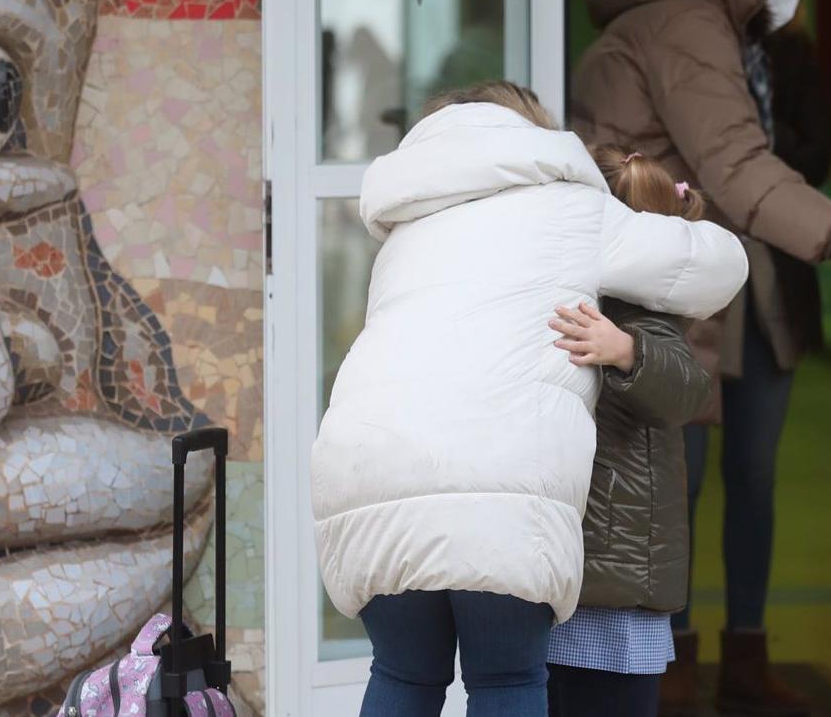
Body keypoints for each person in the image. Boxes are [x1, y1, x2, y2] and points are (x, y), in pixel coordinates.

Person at [570, 0, 831, 715]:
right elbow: (734, 161)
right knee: (675, 486)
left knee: (751, 480)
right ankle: (668, 665)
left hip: (741, 281)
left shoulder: (734, 28)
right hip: (672, 286)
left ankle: (738, 655)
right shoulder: (686, 22)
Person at [311, 81, 749, 717]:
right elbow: (717, 267)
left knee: (403, 675)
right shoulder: (567, 204)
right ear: (532, 133)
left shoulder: (409, 224)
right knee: (506, 680)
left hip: (365, 468)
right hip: (502, 478)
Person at [543, 147, 717, 717]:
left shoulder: (649, 316)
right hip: (578, 563)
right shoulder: (574, 301)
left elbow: (686, 390)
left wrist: (627, 351)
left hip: (618, 580)